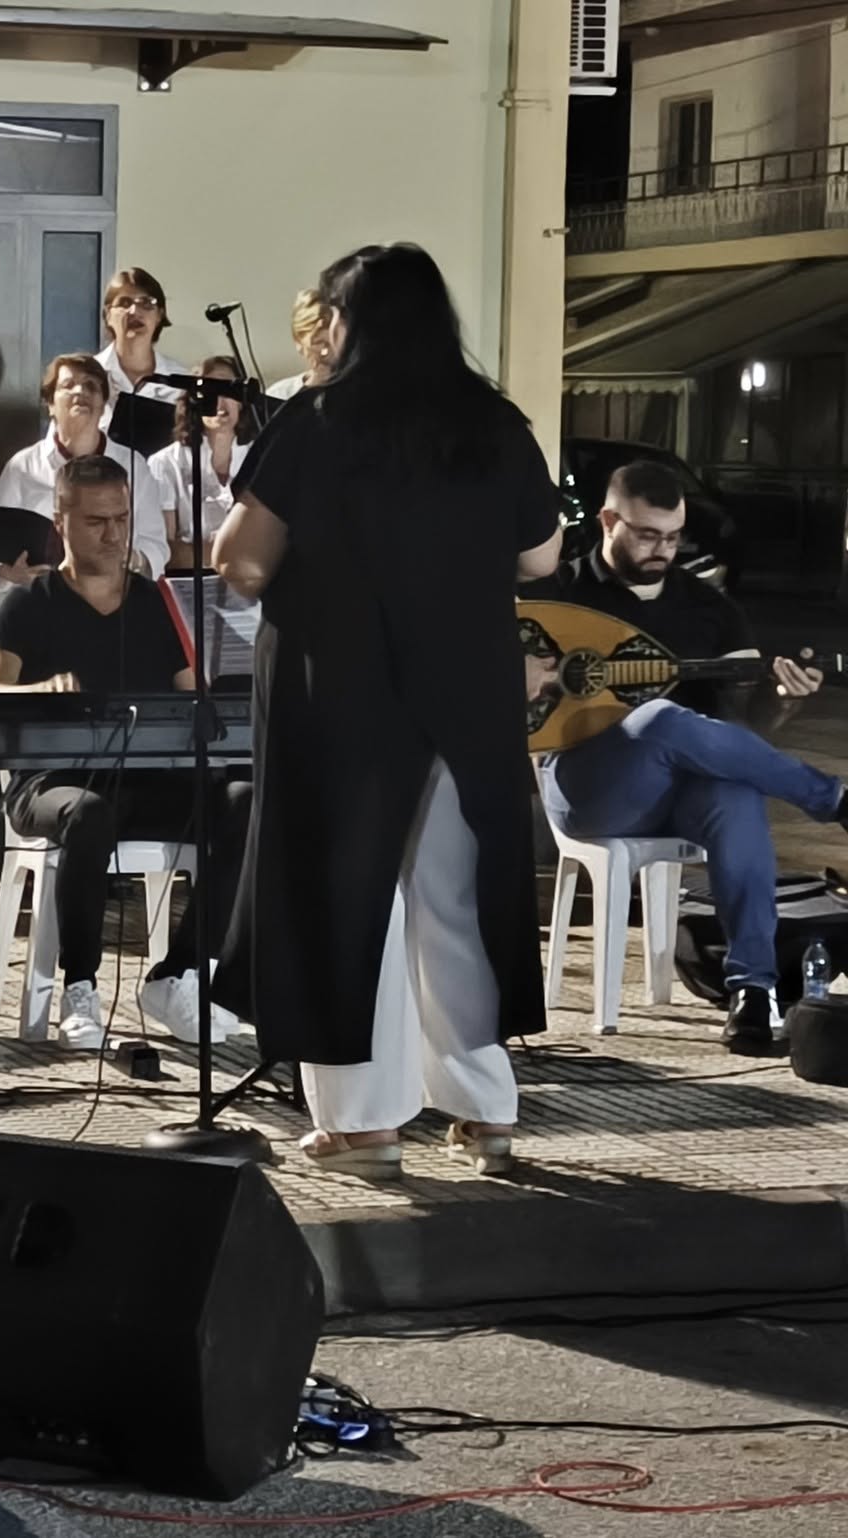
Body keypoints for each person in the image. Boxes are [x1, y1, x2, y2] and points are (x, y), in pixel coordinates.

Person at [211, 243, 561, 1179]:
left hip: (343, 690)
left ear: (347, 322)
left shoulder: (319, 419)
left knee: (342, 893)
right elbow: (541, 556)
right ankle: (486, 1112)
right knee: (456, 894)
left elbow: (241, 559)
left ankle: (364, 1126)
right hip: (467, 689)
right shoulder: (494, 423)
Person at [528, 460, 842, 1056]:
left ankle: (752, 991)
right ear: (608, 522)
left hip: (676, 796)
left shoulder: (708, 608)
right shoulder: (556, 593)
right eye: (647, 535)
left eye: (673, 537)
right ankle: (832, 799)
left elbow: (741, 735)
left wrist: (781, 700)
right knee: (658, 719)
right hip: (586, 787)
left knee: (736, 793)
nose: (663, 550)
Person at [0, 456, 253, 1048]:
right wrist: (39, 691)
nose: (113, 534)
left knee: (243, 800)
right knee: (89, 813)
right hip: (51, 783)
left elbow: (193, 696)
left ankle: (180, 973)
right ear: (61, 522)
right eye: (97, 521)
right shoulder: (28, 602)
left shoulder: (156, 602)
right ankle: (80, 986)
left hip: (149, 779)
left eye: (122, 519)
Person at [0, 353, 170, 581]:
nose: (80, 391)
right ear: (50, 404)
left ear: (103, 405)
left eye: (91, 386)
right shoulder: (22, 467)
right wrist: (11, 573)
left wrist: (133, 560)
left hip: (113, 594)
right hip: (40, 595)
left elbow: (156, 546)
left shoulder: (133, 466)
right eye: (68, 385)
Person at [154, 355, 257, 570]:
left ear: (242, 401)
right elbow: (165, 551)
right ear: (193, 401)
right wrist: (231, 552)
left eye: (228, 390)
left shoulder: (259, 457)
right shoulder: (165, 463)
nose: (220, 401)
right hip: (191, 581)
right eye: (210, 391)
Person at [96, 266, 192, 419]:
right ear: (108, 315)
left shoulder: (181, 383)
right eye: (124, 303)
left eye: (146, 303)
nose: (134, 311)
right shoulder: (89, 376)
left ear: (160, 315)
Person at [262, 290, 333, 404]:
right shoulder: (278, 395)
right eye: (318, 343)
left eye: (332, 343)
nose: (325, 352)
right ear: (299, 343)